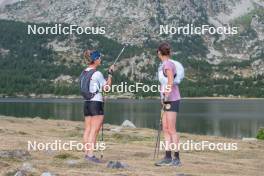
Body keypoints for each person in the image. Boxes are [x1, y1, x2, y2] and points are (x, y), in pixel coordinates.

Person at [81, 49, 114, 163]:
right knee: (94, 131)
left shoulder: (84, 72)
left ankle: (86, 154)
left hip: (87, 103)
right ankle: (90, 155)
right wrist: (110, 74)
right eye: (99, 58)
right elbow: (107, 88)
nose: (100, 60)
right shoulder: (98, 73)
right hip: (96, 103)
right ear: (95, 60)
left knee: (88, 129)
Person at [155, 42, 181, 166]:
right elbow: (165, 82)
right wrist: (162, 96)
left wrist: (166, 95)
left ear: (159, 53)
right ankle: (167, 156)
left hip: (172, 99)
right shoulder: (163, 65)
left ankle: (176, 158)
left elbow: (170, 81)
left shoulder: (168, 64)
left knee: (171, 129)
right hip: (166, 100)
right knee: (165, 128)